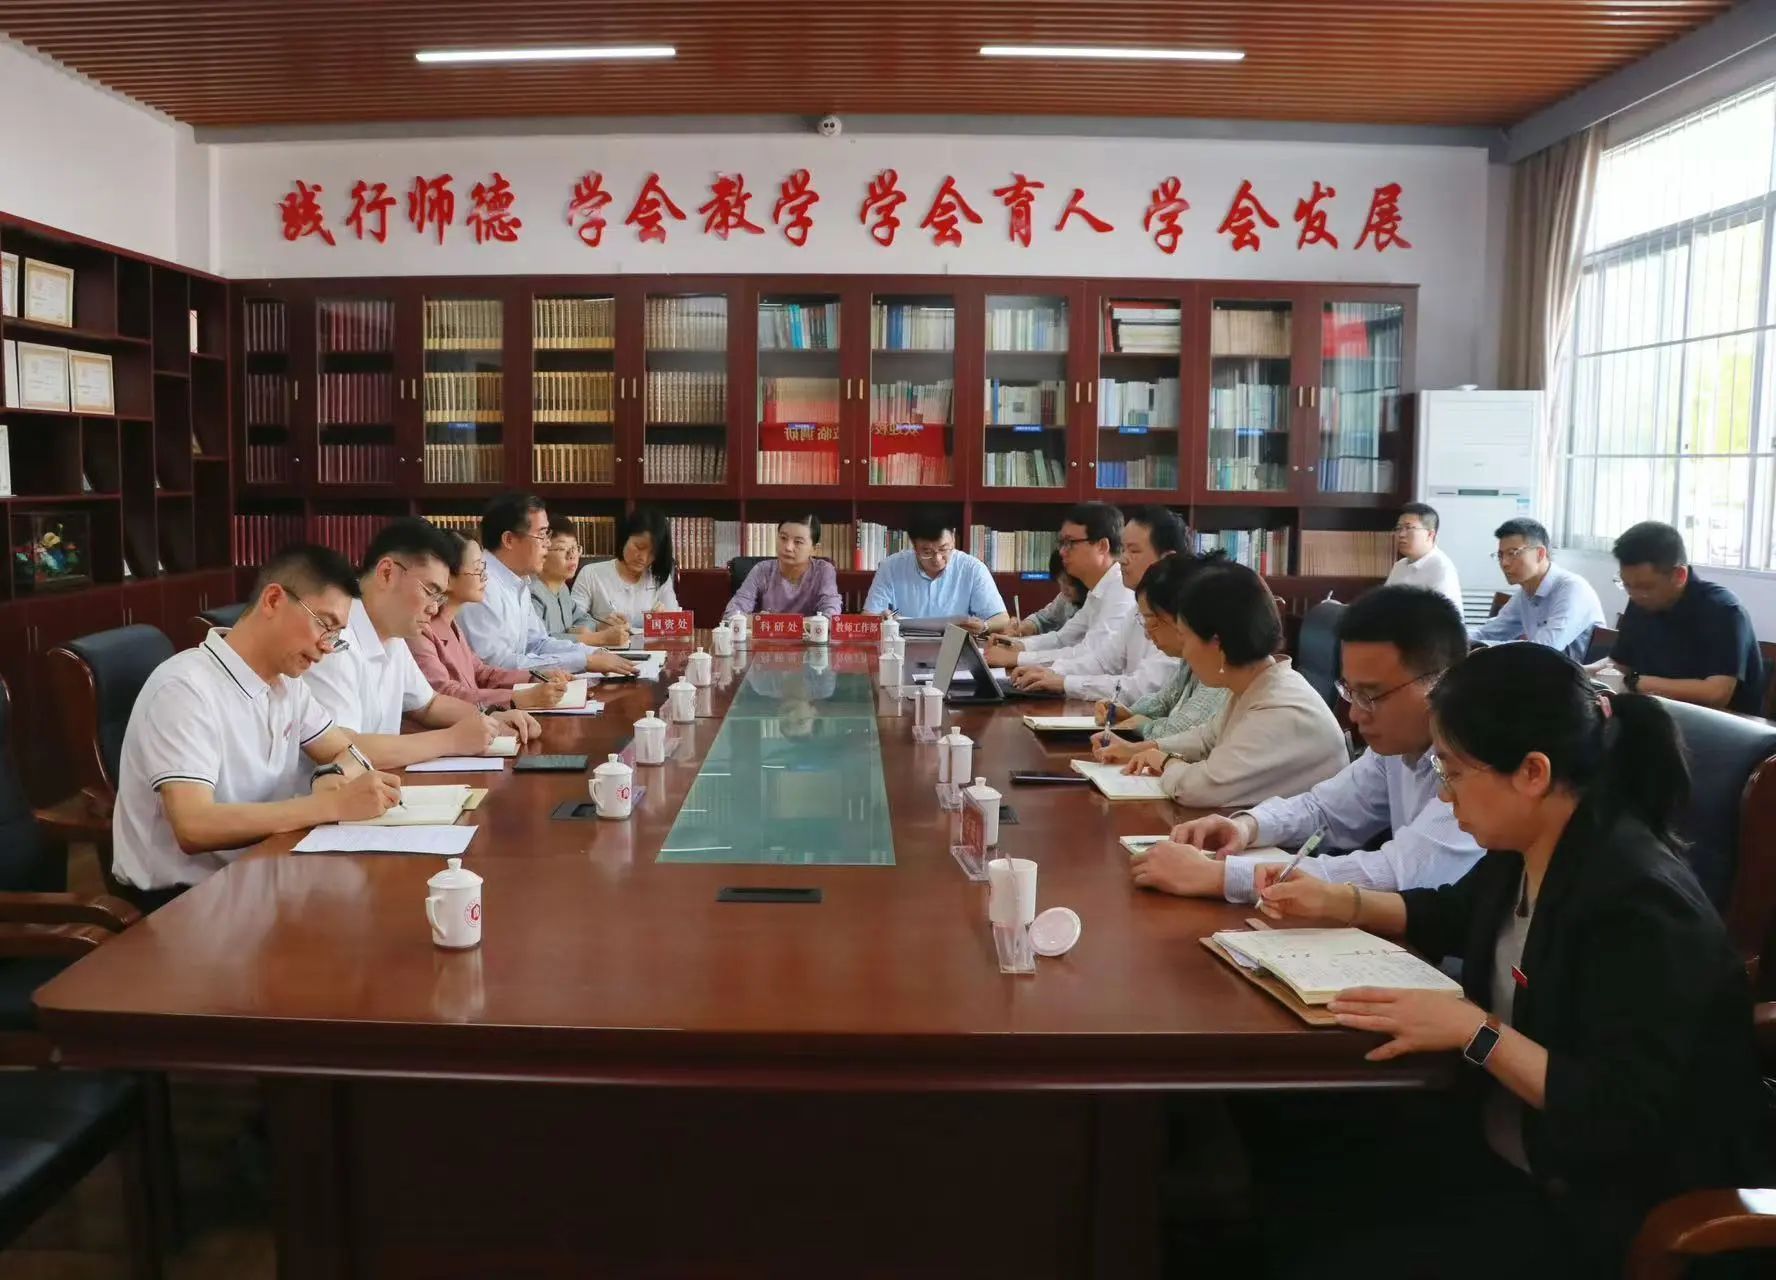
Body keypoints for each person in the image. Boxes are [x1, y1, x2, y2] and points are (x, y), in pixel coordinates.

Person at [1252, 642, 1768, 1277]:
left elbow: (1616, 1113)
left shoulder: (1640, 908)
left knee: (1322, 1236)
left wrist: (1475, 1031)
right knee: (1289, 1146)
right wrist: (1340, 901)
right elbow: (1454, 912)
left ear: (1532, 772)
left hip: (1602, 1205)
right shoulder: (1529, 844)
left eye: (1452, 772)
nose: (1445, 797)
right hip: (1506, 1140)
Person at [1128, 585, 1482, 903]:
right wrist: (1247, 826)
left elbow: (1396, 873)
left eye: (1372, 695)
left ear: (1440, 683)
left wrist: (1222, 877)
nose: (1355, 714)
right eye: (1351, 692)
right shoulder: (1393, 748)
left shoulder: (1480, 761)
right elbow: (1324, 809)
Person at [110, 544, 401, 906]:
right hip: (182, 900)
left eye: (336, 635)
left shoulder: (289, 685)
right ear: (274, 600)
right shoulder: (185, 688)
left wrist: (331, 774)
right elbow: (195, 825)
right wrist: (330, 805)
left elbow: (347, 751)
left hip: (261, 872)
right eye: (324, 625)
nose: (327, 647)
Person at [301, 517, 543, 776]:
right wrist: (450, 741)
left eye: (440, 597)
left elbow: (428, 705)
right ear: (387, 573)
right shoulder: (334, 637)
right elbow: (342, 747)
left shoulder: (393, 634)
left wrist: (488, 720)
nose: (434, 608)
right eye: (430, 591)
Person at [1114, 562, 1347, 807]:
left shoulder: (1278, 708)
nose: (1185, 652)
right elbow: (1206, 738)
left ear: (1218, 644)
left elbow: (1198, 789)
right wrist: (1145, 749)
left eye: (1185, 637)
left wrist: (1164, 761)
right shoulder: (1256, 685)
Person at [1008, 505, 1183, 701]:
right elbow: (1102, 660)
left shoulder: (1181, 611)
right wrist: (1050, 673)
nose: (1122, 559)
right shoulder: (1138, 605)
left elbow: (1144, 687)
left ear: (1167, 559)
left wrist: (1063, 682)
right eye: (1123, 549)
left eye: (1134, 551)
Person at [1593, 520, 1763, 714]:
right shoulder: (1640, 600)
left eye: (1645, 586)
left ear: (1680, 575)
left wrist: (1636, 682)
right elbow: (1619, 664)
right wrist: (1582, 672)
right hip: (1657, 712)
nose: (1634, 594)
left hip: (1721, 722)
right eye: (1626, 585)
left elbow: (1716, 693)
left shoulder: (1724, 610)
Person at [458, 494, 637, 677]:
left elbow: (538, 643)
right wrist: (584, 661)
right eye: (542, 535)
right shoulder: (481, 584)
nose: (548, 543)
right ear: (509, 540)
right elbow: (497, 666)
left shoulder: (518, 582)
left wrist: (592, 653)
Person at [1087, 553, 1230, 762]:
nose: (1147, 633)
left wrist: (1142, 725)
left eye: (1153, 622)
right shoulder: (1192, 658)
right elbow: (1165, 700)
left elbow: (1185, 733)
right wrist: (1129, 714)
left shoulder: (1219, 664)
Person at [411, 533, 570, 712]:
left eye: (484, 567)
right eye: (477, 569)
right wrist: (518, 697)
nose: (485, 576)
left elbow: (482, 673)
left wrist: (535, 677)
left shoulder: (451, 623)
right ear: (446, 577)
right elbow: (443, 694)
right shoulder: (421, 630)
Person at [982, 503, 1133, 670]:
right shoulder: (1098, 589)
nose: (1062, 552)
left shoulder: (1122, 590)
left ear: (1102, 546)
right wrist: (1017, 645)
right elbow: (1063, 639)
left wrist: (1017, 658)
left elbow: (1091, 655)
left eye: (1070, 543)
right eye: (1061, 543)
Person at [1469, 518, 1603, 662]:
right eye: (1500, 555)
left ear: (1540, 554)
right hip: (1539, 670)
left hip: (1576, 674)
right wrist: (1456, 640)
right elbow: (1487, 633)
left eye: (1513, 553)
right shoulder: (1525, 594)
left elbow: (1544, 649)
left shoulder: (1572, 589)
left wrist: (1482, 648)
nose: (1504, 563)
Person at [861, 507, 1008, 633]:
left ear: (953, 538)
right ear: (914, 545)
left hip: (956, 649)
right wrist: (881, 620)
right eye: (927, 552)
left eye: (943, 549)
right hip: (903, 647)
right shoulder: (890, 567)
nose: (937, 559)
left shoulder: (973, 569)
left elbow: (1002, 619)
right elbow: (868, 617)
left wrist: (984, 626)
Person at [570, 505, 681, 630]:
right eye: (639, 547)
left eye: (652, 553)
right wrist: (599, 627)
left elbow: (678, 624)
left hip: (649, 643)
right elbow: (572, 622)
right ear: (625, 538)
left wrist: (663, 621)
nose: (643, 558)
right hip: (604, 642)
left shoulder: (659, 578)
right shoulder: (591, 574)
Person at [723, 514, 841, 617]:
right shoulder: (762, 570)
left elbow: (832, 616)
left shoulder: (823, 570)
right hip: (767, 636)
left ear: (814, 549)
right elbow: (732, 613)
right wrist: (759, 621)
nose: (788, 547)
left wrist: (778, 623)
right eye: (783, 538)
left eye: (798, 542)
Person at [531, 528, 629, 648]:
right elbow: (539, 643)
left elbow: (584, 619)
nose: (572, 555)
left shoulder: (562, 589)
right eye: (562, 549)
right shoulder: (531, 594)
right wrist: (598, 638)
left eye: (575, 548)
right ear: (542, 552)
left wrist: (601, 627)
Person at [1385, 501, 1463, 610]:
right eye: (1399, 528)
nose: (1401, 534)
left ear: (1430, 534)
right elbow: (1383, 603)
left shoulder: (1441, 568)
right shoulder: (1399, 566)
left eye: (1409, 528)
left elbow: (1443, 616)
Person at [989, 550, 1084, 637]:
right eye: (1060, 582)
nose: (1063, 589)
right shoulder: (1064, 598)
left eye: (1070, 583)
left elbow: (1067, 641)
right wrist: (1024, 627)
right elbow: (1042, 619)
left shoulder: (1091, 604)